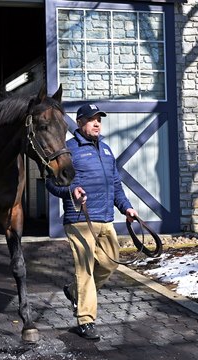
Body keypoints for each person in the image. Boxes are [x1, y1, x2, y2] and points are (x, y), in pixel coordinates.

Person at [46, 103, 138, 341]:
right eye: (91, 119)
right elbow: (51, 183)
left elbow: (116, 185)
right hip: (79, 220)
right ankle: (86, 320)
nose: (97, 123)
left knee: (109, 264)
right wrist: (71, 191)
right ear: (79, 123)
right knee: (85, 269)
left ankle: (73, 291)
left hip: (106, 217)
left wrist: (126, 207)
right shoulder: (67, 150)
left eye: (99, 119)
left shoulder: (106, 150)